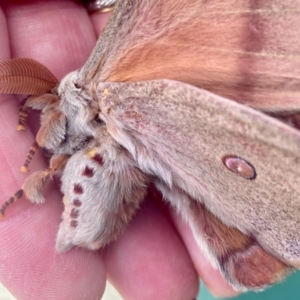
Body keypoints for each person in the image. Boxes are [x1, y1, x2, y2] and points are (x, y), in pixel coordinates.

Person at [0, 1, 238, 299]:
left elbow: (52, 135)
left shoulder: (91, 102)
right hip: (108, 171)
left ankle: (29, 191)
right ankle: (32, 191)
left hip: (105, 170)